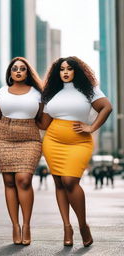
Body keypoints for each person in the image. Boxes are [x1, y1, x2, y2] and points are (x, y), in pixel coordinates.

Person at [38, 56, 112, 247]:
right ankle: (66, 227)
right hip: (53, 141)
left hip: (79, 142)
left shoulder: (89, 89)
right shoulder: (51, 92)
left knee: (70, 182)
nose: (65, 72)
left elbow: (107, 107)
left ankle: (82, 225)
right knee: (59, 183)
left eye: (69, 69)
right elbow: (44, 123)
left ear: (76, 71)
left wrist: (92, 127)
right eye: (61, 69)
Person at [0, 57, 43, 245]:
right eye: (15, 68)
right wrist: (3, 127)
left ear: (28, 72)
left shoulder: (38, 93)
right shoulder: (2, 92)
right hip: (3, 137)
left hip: (29, 137)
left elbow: (42, 119)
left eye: (22, 69)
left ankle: (27, 225)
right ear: (10, 72)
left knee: (23, 179)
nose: (19, 71)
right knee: (9, 181)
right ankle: (15, 225)